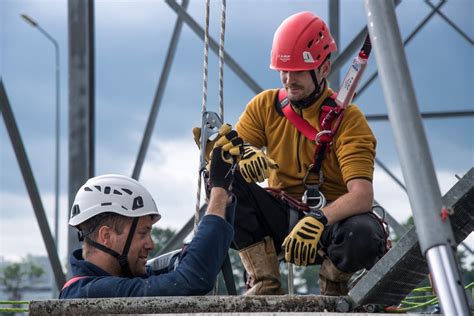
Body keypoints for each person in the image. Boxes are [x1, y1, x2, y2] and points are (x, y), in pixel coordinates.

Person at [231, 11, 387, 296]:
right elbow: (223, 157)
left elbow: (362, 195)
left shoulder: (349, 121)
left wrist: (319, 219)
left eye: (299, 72)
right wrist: (243, 153)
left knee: (364, 235)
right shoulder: (265, 106)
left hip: (332, 226)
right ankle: (265, 283)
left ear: (324, 69)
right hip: (279, 220)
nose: (289, 80)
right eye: (283, 70)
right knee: (223, 178)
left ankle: (334, 287)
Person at [60, 127, 243, 298]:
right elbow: (191, 279)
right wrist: (219, 187)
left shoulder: (117, 282)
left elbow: (192, 264)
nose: (151, 244)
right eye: (143, 233)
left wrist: (221, 197)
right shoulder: (88, 293)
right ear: (106, 236)